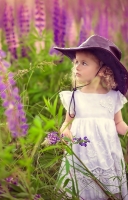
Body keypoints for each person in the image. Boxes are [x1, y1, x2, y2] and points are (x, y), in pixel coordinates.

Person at [54, 35, 128, 200]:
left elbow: (119, 124)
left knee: (108, 190)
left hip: (107, 156)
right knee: (81, 190)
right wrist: (65, 131)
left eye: (84, 63)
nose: (77, 67)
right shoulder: (74, 97)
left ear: (103, 70)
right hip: (81, 156)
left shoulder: (113, 98)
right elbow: (67, 123)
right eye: (76, 62)